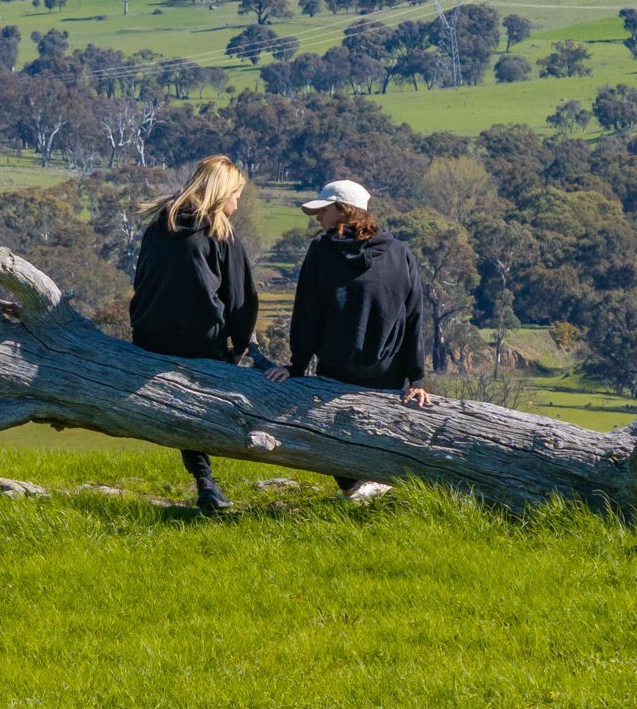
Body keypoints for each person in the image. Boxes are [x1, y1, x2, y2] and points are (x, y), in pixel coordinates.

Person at [129, 154, 262, 513]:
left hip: (148, 337)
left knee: (183, 406)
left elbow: (141, 282)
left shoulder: (160, 224)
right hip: (199, 341)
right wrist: (240, 346)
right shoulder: (219, 233)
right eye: (236, 195)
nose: (238, 203)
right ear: (221, 194)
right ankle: (209, 480)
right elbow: (241, 299)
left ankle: (205, 479)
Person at [266, 179, 431, 413]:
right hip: (388, 382)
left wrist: (297, 366)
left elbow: (307, 314)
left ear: (344, 210)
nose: (318, 217)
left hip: (333, 379)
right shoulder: (399, 253)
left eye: (324, 210)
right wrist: (416, 380)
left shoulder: (321, 251)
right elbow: (413, 318)